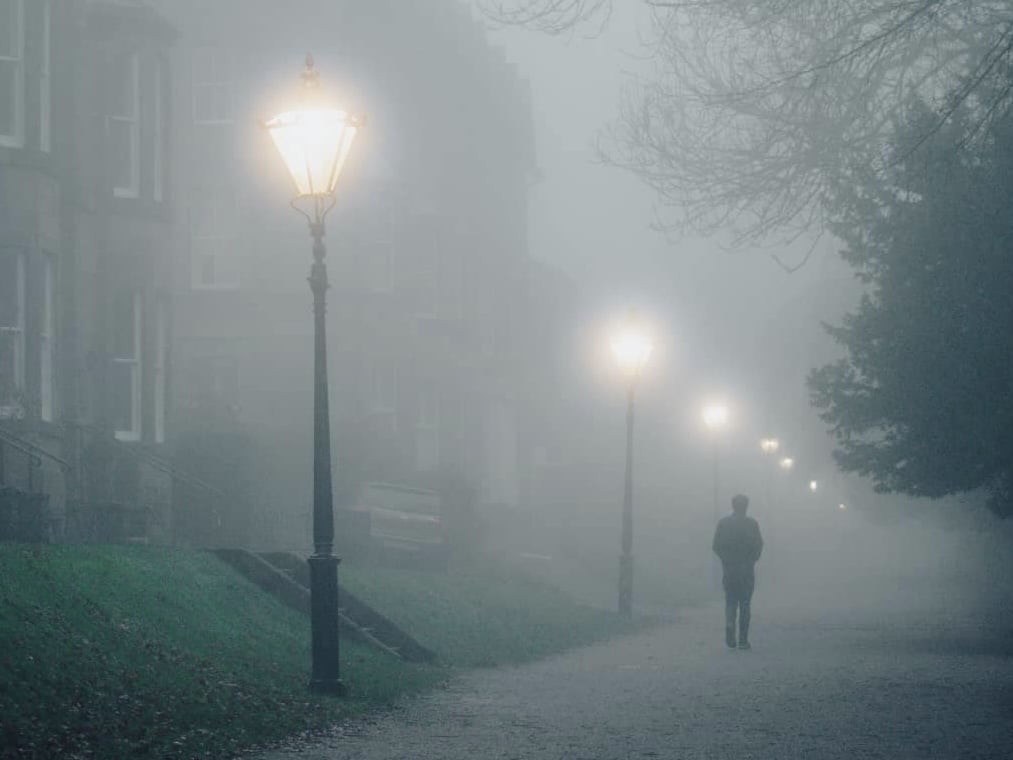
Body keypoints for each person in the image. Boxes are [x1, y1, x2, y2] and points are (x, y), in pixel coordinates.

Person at [712, 494, 763, 650]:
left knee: (731, 601)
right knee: (745, 604)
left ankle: (729, 624)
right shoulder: (752, 524)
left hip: (730, 570)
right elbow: (759, 545)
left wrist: (726, 560)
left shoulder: (723, 524)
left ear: (733, 506)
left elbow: (716, 545)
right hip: (746, 570)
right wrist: (752, 560)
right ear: (746, 506)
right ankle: (743, 640)